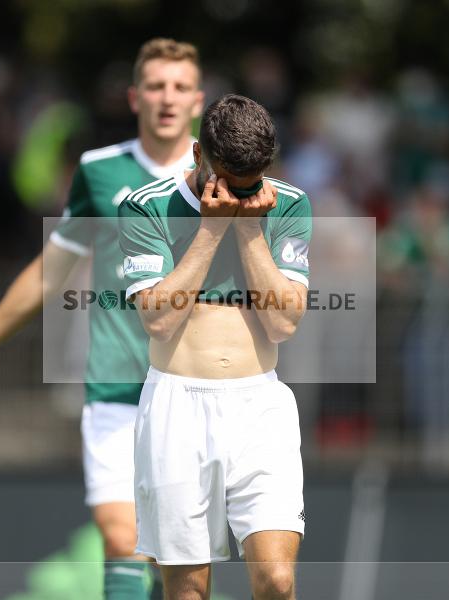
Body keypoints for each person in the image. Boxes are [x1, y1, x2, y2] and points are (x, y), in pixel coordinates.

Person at [0, 38, 204, 600]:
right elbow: (50, 273)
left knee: (182, 565)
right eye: (155, 86)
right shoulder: (100, 173)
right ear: (134, 97)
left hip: (198, 393)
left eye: (179, 87)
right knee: (122, 538)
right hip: (116, 388)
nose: (166, 98)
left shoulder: (222, 173)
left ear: (198, 100)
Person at [118, 94, 312, 600]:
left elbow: (282, 322)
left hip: (259, 406)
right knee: (188, 593)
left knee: (276, 579)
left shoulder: (288, 204)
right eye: (228, 183)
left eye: (251, 187)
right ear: (199, 154)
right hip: (176, 408)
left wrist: (249, 230)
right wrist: (211, 230)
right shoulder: (145, 206)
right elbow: (158, 322)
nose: (241, 196)